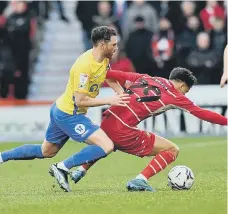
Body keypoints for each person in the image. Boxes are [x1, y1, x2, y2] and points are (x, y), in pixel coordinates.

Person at [0, 26, 130, 192]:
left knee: (46, 151)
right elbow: (81, 101)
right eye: (113, 44)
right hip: (70, 114)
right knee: (106, 145)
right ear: (103, 45)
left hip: (60, 108)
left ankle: (2, 156)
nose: (116, 48)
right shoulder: (84, 66)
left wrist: (123, 95)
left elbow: (109, 78)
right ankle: (62, 167)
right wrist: (109, 100)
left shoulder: (104, 59)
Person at [69, 67, 227, 192]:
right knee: (172, 150)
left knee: (109, 142)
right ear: (181, 84)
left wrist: (88, 72)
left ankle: (80, 170)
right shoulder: (175, 95)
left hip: (108, 120)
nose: (184, 94)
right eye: (185, 91)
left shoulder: (146, 77)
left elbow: (110, 73)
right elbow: (203, 114)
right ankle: (140, 180)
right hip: (123, 130)